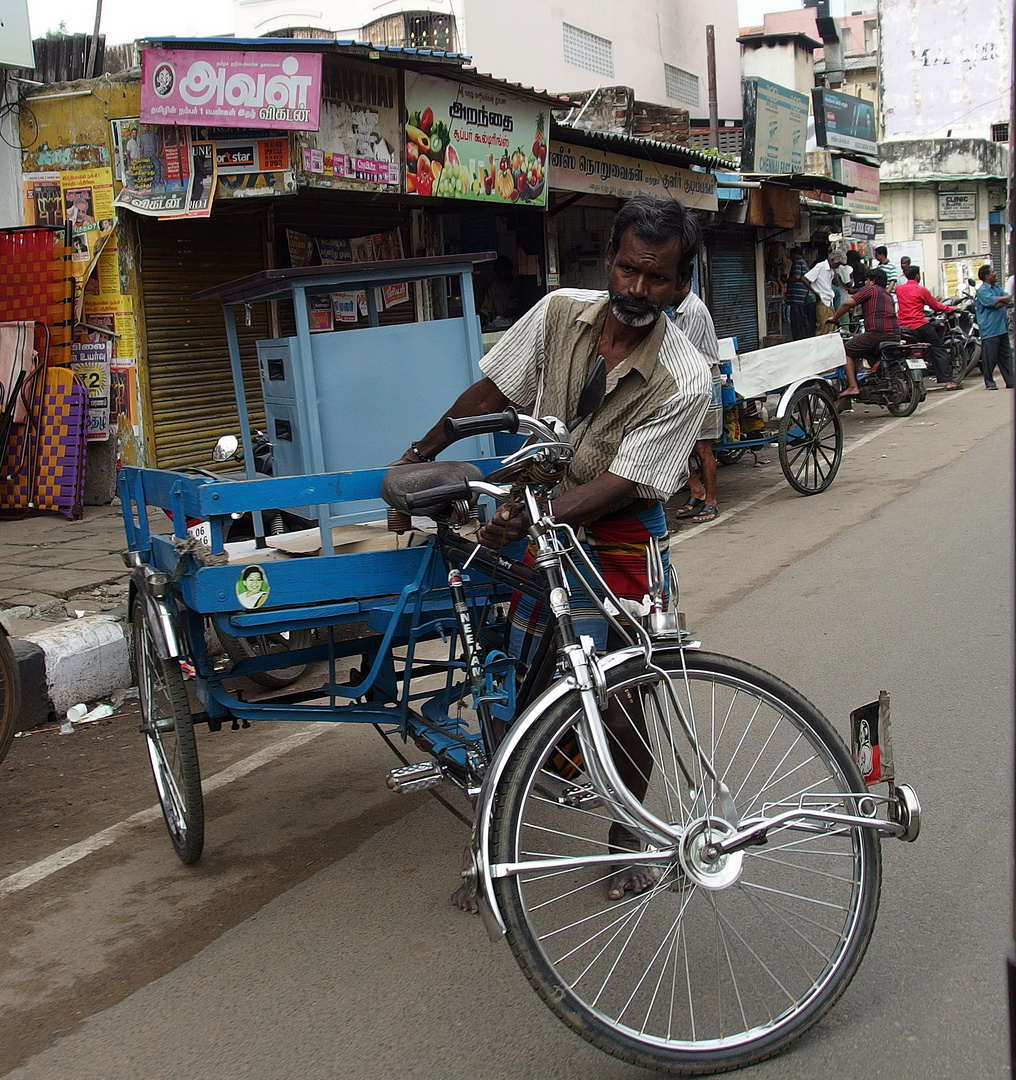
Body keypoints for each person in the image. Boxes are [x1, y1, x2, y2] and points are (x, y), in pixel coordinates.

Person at [391, 195, 711, 908]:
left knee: (625, 696)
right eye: (627, 269)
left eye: (656, 278)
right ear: (609, 262)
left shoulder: (687, 377)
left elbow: (625, 482)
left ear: (681, 282)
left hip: (621, 532)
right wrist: (420, 452)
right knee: (508, 684)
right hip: (544, 511)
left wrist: (534, 518)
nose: (636, 289)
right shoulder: (561, 312)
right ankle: (493, 843)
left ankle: (628, 835)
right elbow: (492, 389)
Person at [669, 280, 722, 523]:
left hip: (704, 381)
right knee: (679, 443)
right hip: (685, 381)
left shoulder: (693, 310)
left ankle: (711, 500)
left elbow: (683, 351)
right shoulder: (677, 311)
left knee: (702, 446)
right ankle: (696, 489)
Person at [825, 267, 900, 398]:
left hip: (876, 333)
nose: (865, 282)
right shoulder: (888, 295)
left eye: (866, 280)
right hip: (895, 335)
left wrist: (834, 318)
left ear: (872, 281)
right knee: (869, 354)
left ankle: (853, 387)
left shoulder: (870, 289)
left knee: (846, 350)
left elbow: (848, 303)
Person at [895, 265, 960, 390]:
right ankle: (948, 382)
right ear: (917, 276)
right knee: (938, 348)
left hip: (902, 327)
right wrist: (951, 308)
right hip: (919, 324)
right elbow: (936, 306)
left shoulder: (899, 289)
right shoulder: (922, 290)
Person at [975, 263, 1014, 389]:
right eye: (993, 272)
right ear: (987, 276)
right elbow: (994, 303)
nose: (995, 273)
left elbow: (1007, 298)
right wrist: (1001, 301)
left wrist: (1000, 300)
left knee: (1006, 357)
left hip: (1002, 327)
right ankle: (990, 382)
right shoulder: (982, 291)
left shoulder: (996, 287)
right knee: (990, 358)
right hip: (990, 329)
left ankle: (1011, 381)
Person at [806, 249, 852, 334]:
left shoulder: (831, 271)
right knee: (823, 327)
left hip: (829, 301)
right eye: (838, 264)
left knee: (830, 327)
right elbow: (805, 279)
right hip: (823, 300)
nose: (838, 266)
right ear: (832, 260)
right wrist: (816, 293)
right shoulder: (821, 266)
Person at [785, 247, 815, 339]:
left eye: (792, 254)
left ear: (796, 253)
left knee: (797, 321)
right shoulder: (804, 263)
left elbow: (796, 277)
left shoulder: (797, 262)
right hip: (802, 297)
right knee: (802, 321)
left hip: (796, 298)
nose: (791, 256)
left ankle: (799, 339)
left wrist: (786, 280)